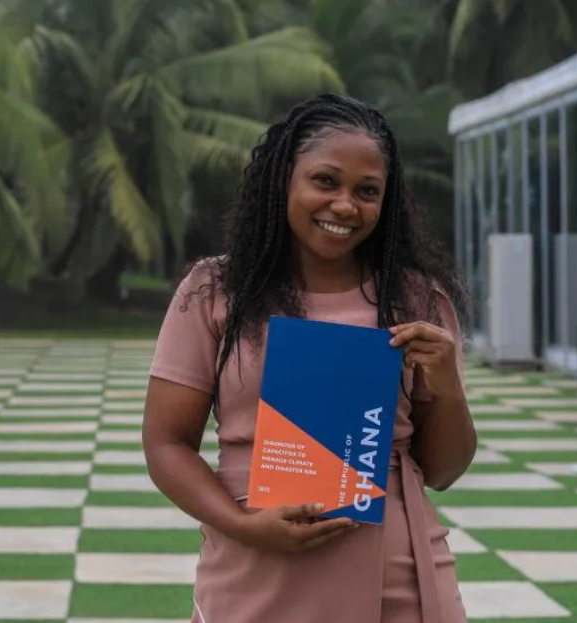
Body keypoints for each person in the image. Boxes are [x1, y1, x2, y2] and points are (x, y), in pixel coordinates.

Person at [142, 92, 477, 623]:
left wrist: (448, 387)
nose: (346, 205)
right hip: (256, 561)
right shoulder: (215, 291)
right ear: (284, 180)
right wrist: (242, 525)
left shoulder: (416, 301)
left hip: (398, 578)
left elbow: (443, 470)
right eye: (326, 181)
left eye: (368, 191)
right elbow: (165, 444)